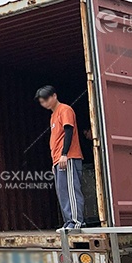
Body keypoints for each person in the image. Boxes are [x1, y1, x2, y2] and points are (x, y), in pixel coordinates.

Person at [35, 85, 85, 229]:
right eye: (41, 101)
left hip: (68, 157)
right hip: (58, 159)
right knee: (63, 191)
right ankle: (69, 221)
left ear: (54, 96)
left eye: (46, 99)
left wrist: (64, 154)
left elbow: (68, 131)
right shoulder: (53, 115)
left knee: (71, 189)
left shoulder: (65, 110)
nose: (44, 103)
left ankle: (76, 221)